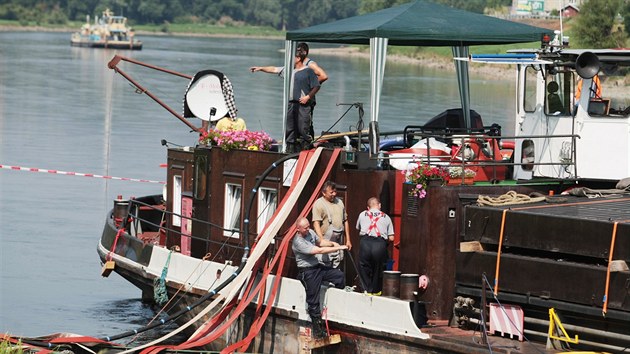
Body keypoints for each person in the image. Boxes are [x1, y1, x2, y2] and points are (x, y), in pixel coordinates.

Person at [249, 42, 327, 152]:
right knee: (290, 129)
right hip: (291, 104)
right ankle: (290, 150)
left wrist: (307, 96)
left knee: (304, 129)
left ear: (299, 58)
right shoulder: (289, 70)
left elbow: (317, 85)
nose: (290, 59)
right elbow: (274, 69)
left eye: (293, 57)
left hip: (303, 104)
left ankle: (306, 151)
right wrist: (260, 68)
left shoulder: (308, 70)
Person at [292, 217, 347, 339]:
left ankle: (336, 303)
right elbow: (319, 250)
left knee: (339, 276)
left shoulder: (310, 232)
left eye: (308, 226)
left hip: (317, 267)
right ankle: (317, 330)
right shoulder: (298, 242)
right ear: (298, 229)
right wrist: (338, 248)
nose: (308, 229)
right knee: (313, 301)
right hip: (307, 272)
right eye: (305, 228)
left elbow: (321, 242)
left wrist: (333, 243)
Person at [355, 197, 394, 295]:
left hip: (365, 243)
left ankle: (366, 289)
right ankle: (376, 291)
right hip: (380, 244)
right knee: (378, 268)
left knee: (363, 266)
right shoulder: (386, 217)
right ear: (379, 205)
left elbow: (358, 228)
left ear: (368, 207)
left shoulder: (362, 214)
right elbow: (392, 238)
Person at [312, 181, 352, 269]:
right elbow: (316, 223)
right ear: (324, 193)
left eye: (335, 192)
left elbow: (345, 221)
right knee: (324, 268)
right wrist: (322, 241)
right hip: (325, 242)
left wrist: (348, 240)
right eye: (331, 192)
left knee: (336, 267)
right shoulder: (319, 204)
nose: (334, 194)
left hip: (337, 242)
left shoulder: (339, 202)